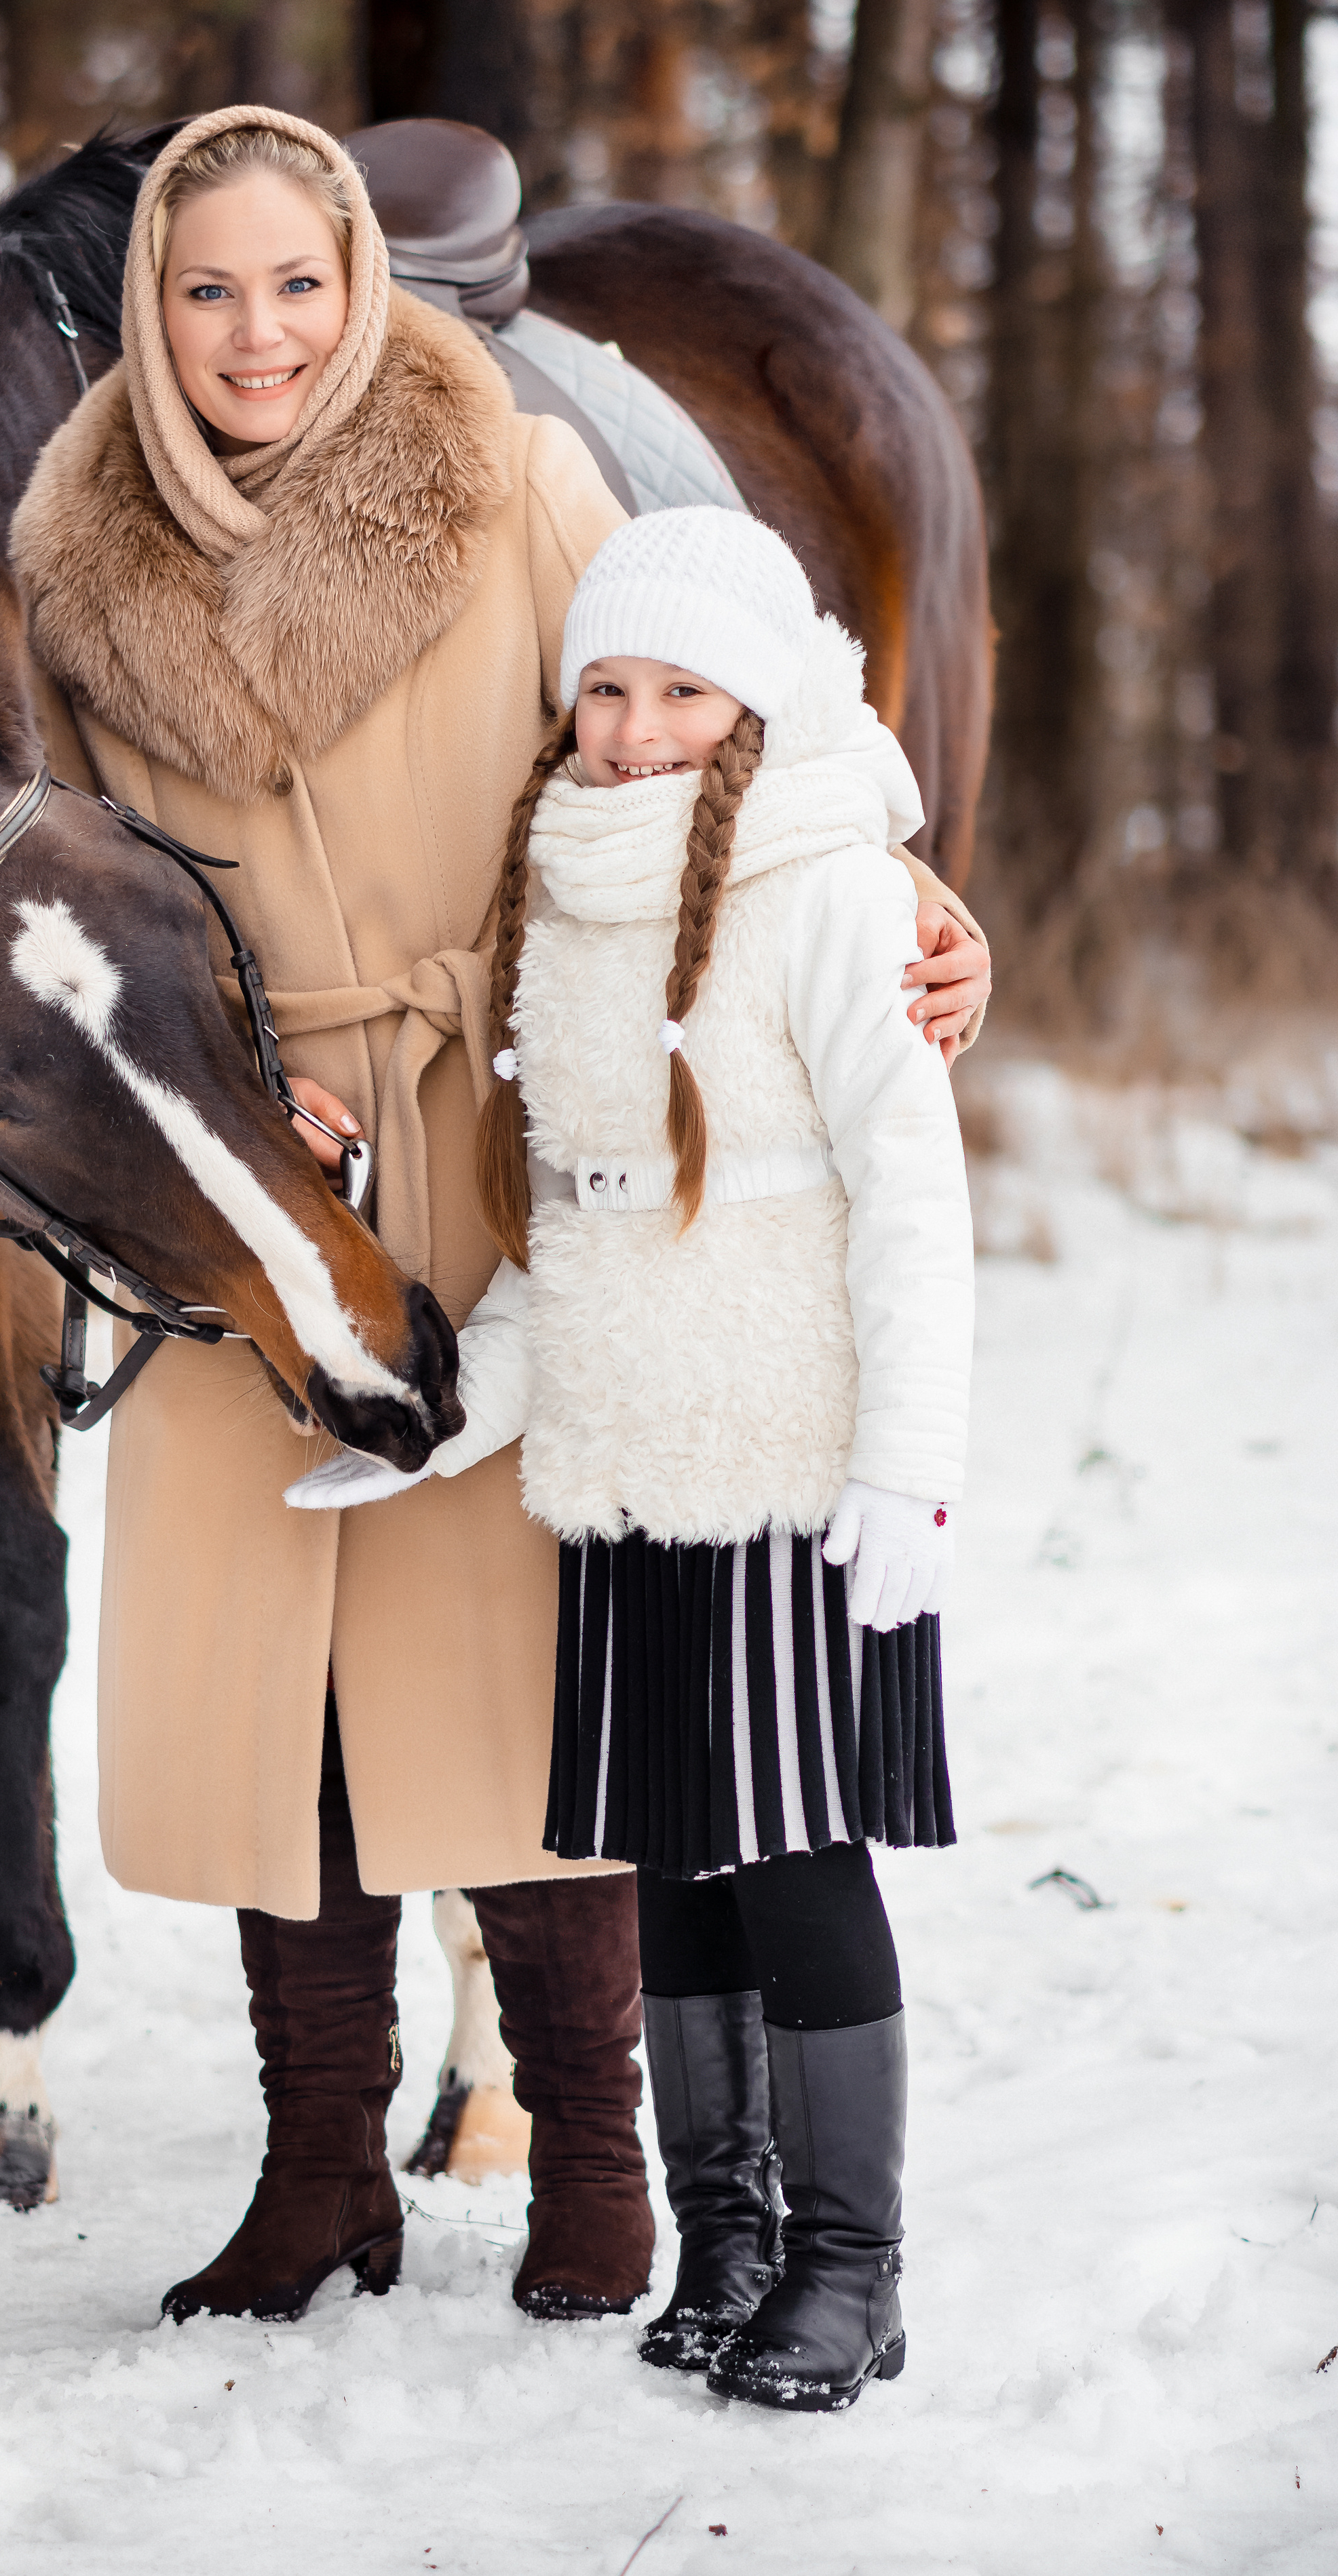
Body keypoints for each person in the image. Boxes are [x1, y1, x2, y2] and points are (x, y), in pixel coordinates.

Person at [10, 109, 989, 2330]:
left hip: (518, 1129)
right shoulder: (72, 555)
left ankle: (602, 2158)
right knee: (280, 1688)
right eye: (208, 290)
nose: (260, 335)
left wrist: (920, 908)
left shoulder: (512, 470)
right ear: (150, 315)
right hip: (252, 1164)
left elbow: (724, 737)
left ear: (368, 286)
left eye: (300, 283)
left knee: (526, 1673)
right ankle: (319, 2169)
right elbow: (49, 870)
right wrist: (206, 1080)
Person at [293, 505, 974, 2411]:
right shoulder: (574, 892)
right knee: (675, 1858)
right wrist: (440, 1425)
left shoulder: (828, 887)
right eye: (607, 685)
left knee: (795, 1863)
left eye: (683, 689)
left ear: (755, 707)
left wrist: (908, 1474)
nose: (637, 723)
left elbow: (913, 1199)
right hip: (629, 1455)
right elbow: (576, 1227)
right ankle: (732, 2233)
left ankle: (853, 2270)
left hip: (790, 1457)